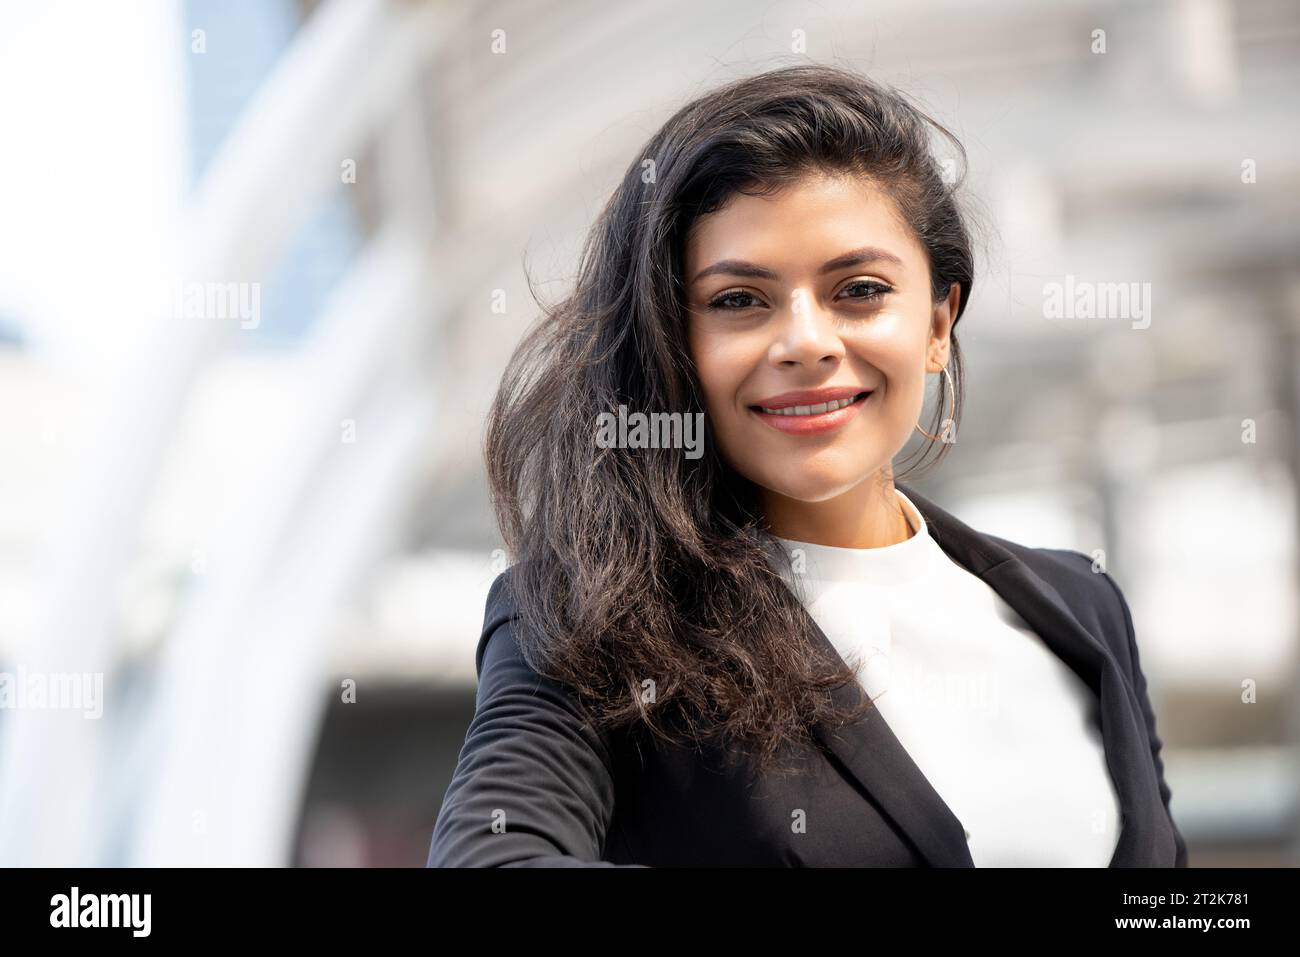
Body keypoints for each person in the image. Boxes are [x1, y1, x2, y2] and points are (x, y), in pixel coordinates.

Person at [427, 63, 1188, 867]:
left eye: (858, 290)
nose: (805, 342)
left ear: (938, 324)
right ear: (672, 346)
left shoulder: (1078, 605)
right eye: (738, 301)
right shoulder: (593, 614)